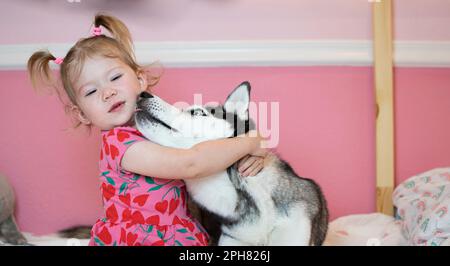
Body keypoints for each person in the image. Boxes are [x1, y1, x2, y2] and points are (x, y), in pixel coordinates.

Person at [27, 13, 267, 246]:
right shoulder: (119, 143)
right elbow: (192, 163)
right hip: (140, 239)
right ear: (82, 114)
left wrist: (250, 156)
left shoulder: (156, 128)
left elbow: (208, 149)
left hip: (176, 232)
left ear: (140, 79)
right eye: (91, 92)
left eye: (115, 77)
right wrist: (250, 142)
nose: (107, 92)